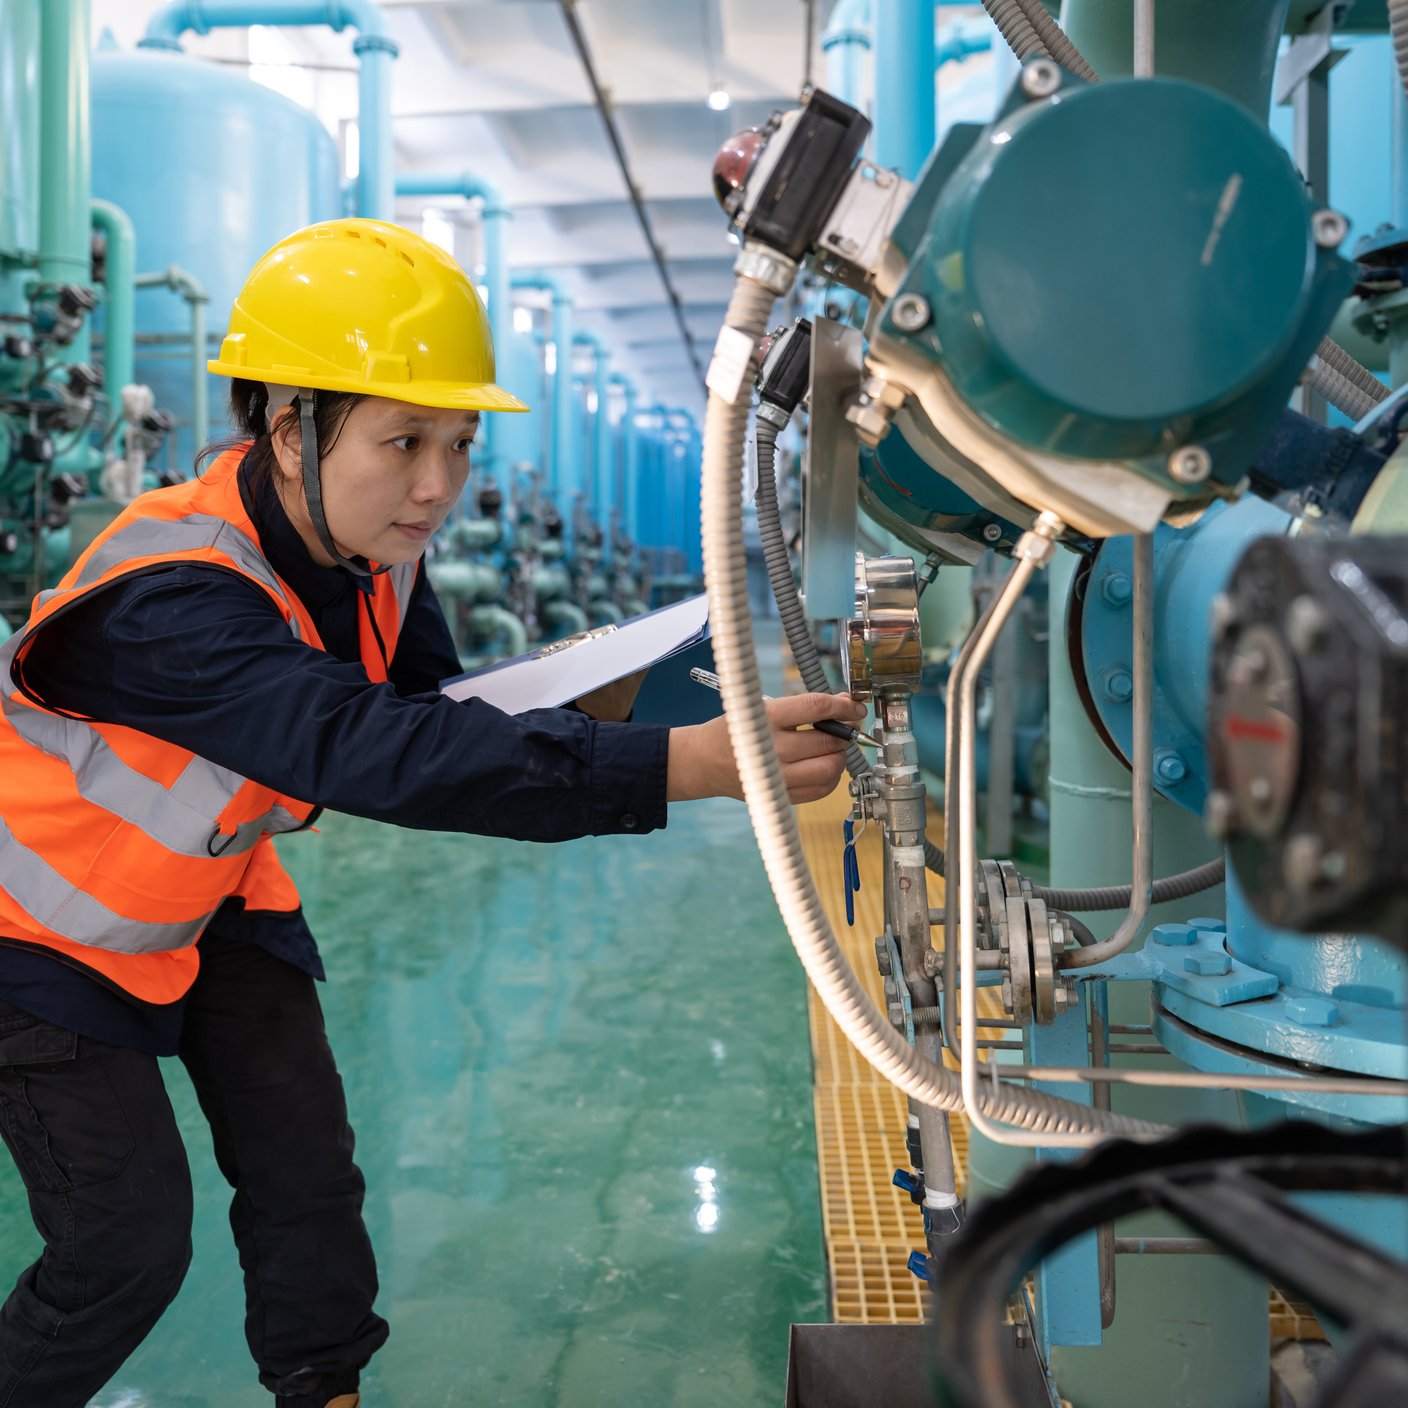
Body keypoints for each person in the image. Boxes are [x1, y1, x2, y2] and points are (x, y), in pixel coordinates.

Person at [0, 218, 863, 1408]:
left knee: (306, 1166)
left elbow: (438, 711)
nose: (437, 488)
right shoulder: (171, 597)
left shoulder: (375, 553)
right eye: (403, 441)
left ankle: (323, 1389)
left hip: (210, 892)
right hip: (33, 934)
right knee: (127, 1244)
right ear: (288, 427)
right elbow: (368, 747)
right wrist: (680, 767)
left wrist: (621, 708)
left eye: (458, 445)